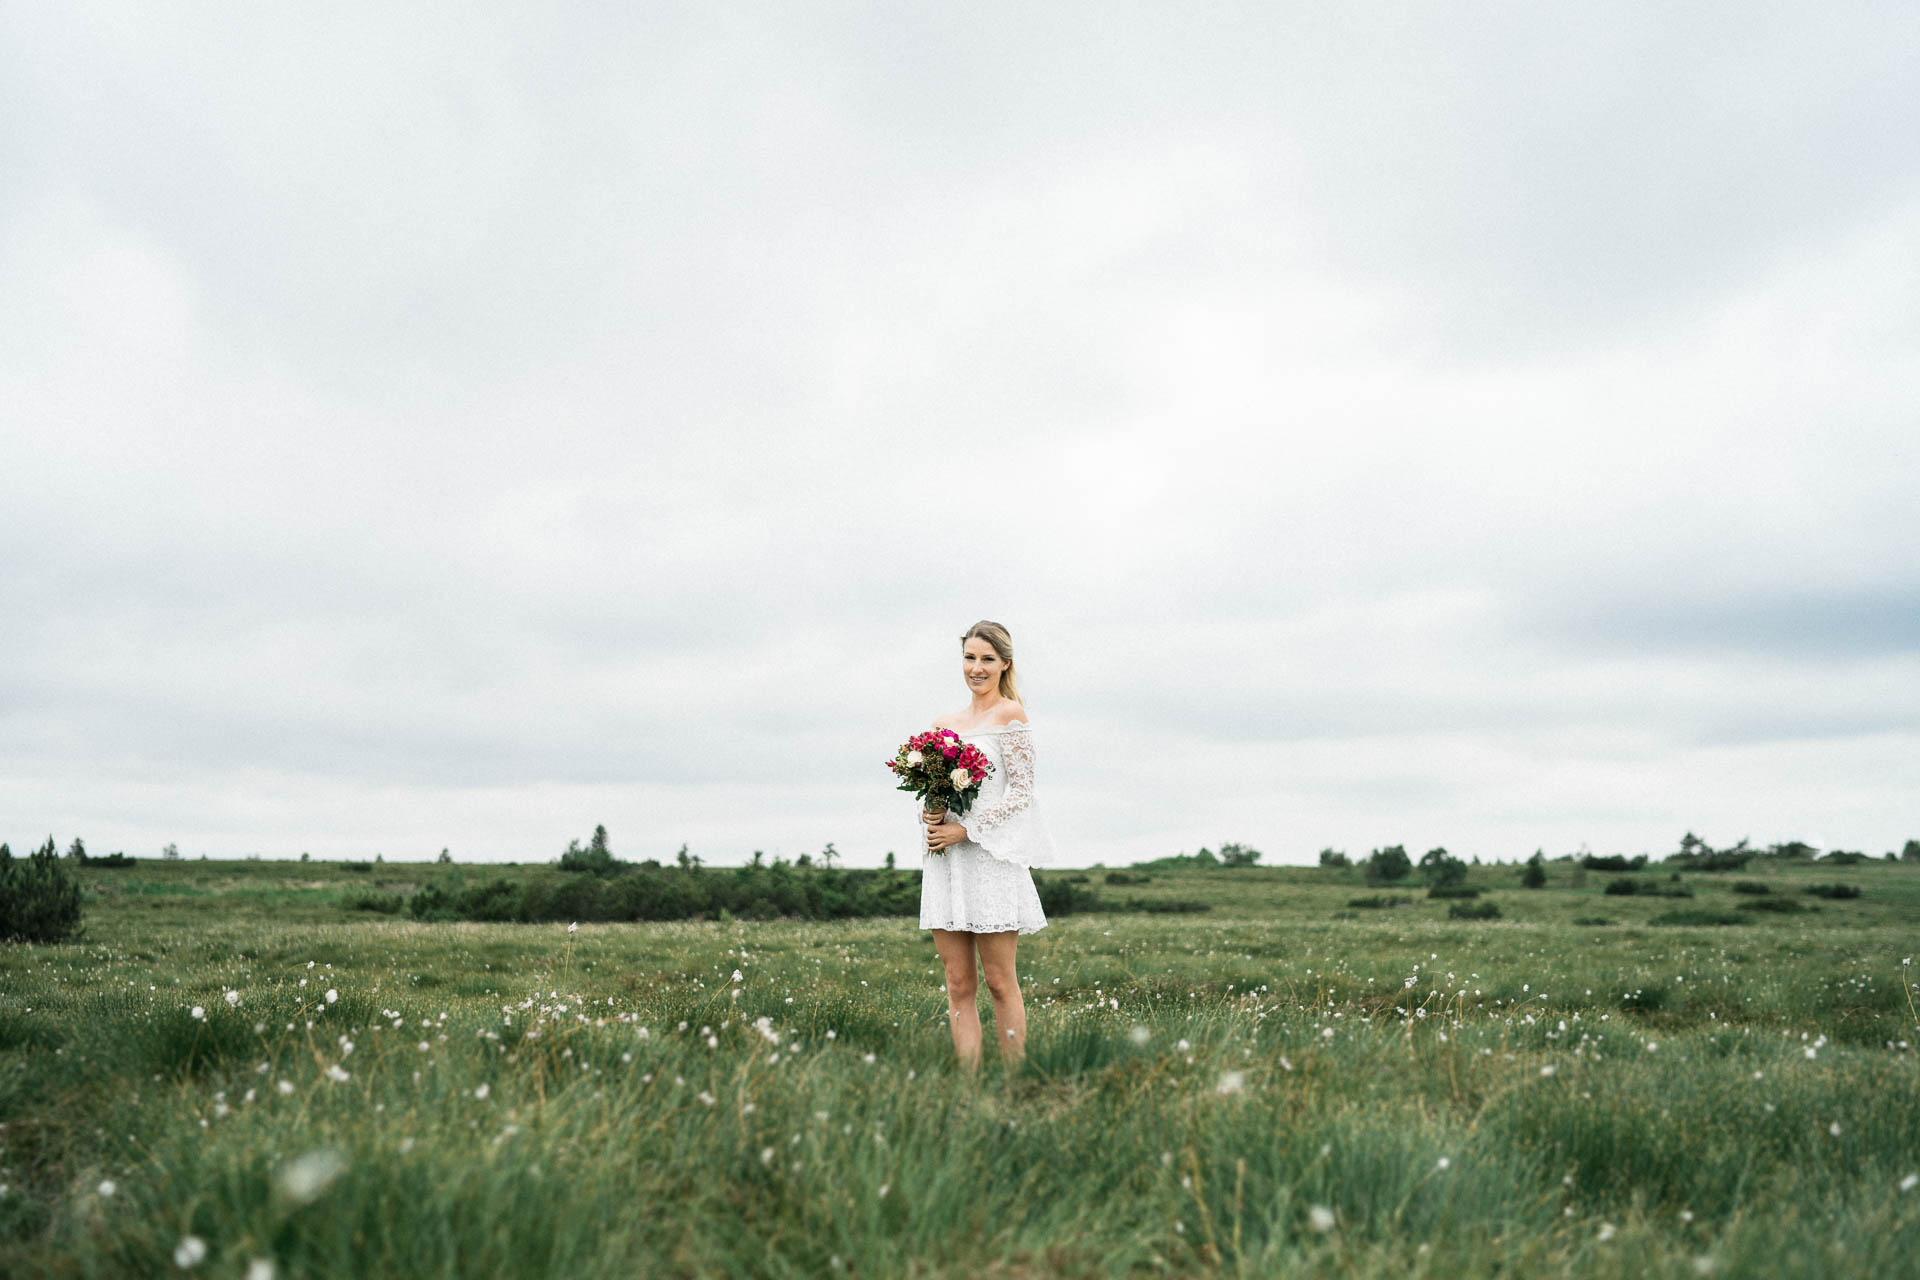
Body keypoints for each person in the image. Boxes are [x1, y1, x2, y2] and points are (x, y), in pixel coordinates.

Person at [920, 620, 1055, 1068]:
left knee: (999, 981)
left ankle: (1015, 1078)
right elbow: (935, 789)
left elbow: (1021, 793)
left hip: (991, 858)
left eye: (987, 660)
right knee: (958, 982)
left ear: (1004, 664)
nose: (976, 668)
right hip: (948, 861)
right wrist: (932, 814)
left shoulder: (1011, 716)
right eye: (970, 658)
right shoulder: (943, 724)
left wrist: (969, 830)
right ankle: (968, 1084)